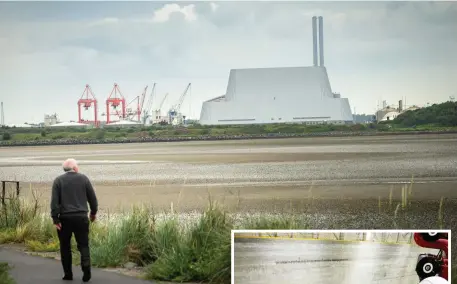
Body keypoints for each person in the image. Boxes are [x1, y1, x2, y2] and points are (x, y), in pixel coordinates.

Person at [50, 158, 98, 282]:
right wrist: (93, 213)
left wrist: (55, 219)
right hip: (81, 217)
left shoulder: (58, 181)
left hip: (65, 219)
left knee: (65, 246)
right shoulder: (83, 179)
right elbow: (92, 199)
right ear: (75, 168)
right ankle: (86, 266)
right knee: (83, 244)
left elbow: (55, 203)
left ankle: (68, 274)